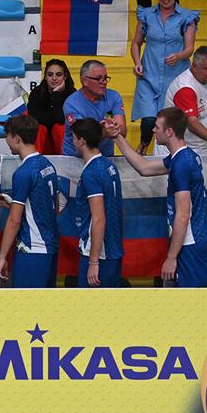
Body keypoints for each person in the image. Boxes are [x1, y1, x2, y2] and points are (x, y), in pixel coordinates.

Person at [107, 107, 207, 287]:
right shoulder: (181, 157)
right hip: (190, 239)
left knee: (191, 300)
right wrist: (117, 137)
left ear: (169, 132)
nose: (153, 130)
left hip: (190, 241)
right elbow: (144, 168)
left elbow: (183, 215)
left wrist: (171, 257)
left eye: (157, 127)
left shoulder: (181, 164)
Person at [131, 0, 199, 153]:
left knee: (169, 120)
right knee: (148, 119)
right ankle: (144, 144)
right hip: (149, 74)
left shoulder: (187, 17)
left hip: (174, 76)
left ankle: (172, 152)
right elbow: (136, 43)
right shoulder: (146, 15)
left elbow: (190, 48)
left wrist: (179, 56)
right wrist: (137, 62)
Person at [0, 114, 62, 288]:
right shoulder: (47, 165)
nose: (6, 141)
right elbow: (53, 207)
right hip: (51, 248)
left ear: (17, 138)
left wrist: (2, 256)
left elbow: (14, 221)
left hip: (32, 250)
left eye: (7, 136)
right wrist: (12, 205)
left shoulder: (23, 172)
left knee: (27, 304)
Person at [70, 119, 125, 288]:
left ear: (81, 140)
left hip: (99, 254)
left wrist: (93, 262)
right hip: (113, 248)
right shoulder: (109, 166)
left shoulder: (91, 173)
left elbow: (99, 218)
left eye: (73, 137)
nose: (72, 142)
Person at [61, 60, 127, 158]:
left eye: (105, 78)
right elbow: (84, 138)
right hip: (76, 158)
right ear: (84, 80)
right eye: (98, 78)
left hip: (105, 156)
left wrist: (112, 129)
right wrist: (106, 131)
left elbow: (122, 130)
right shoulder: (71, 104)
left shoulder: (114, 97)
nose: (104, 82)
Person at [27, 58, 74, 155]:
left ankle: (65, 161)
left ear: (65, 76)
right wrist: (53, 118)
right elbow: (34, 117)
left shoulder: (72, 94)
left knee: (59, 127)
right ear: (45, 77)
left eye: (59, 74)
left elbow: (61, 119)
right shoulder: (37, 92)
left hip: (63, 141)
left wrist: (56, 94)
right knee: (39, 127)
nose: (54, 78)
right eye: (50, 74)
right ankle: (34, 160)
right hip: (43, 141)